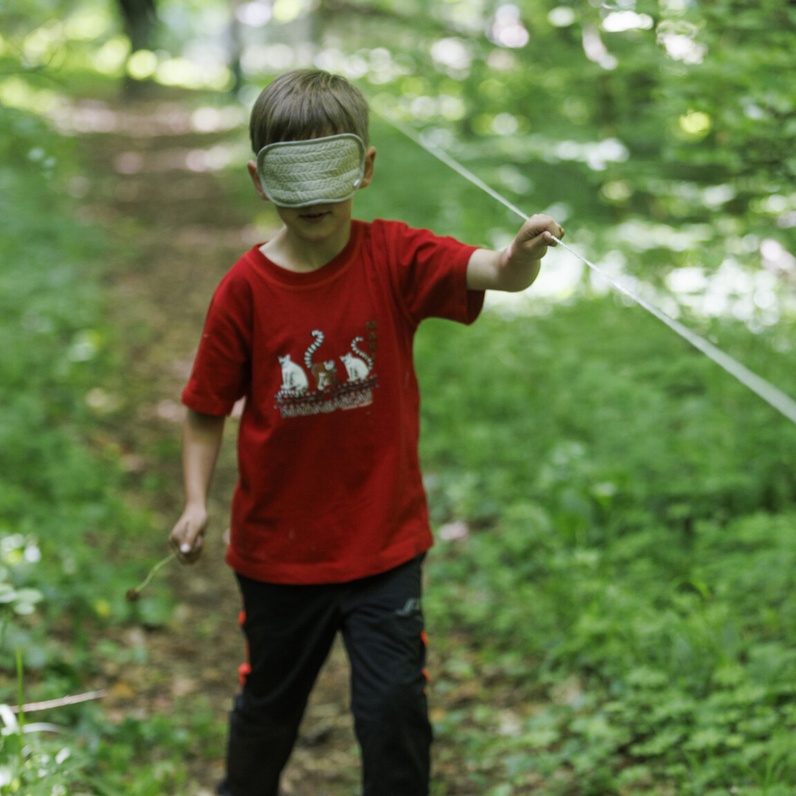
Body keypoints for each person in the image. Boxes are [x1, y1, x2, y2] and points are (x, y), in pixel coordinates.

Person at [169, 68, 564, 796]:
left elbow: (496, 273)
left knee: (393, 709)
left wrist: (520, 255)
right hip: (277, 554)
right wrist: (195, 501)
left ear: (366, 167)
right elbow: (205, 405)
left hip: (385, 546)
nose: (316, 197)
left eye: (333, 170)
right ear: (261, 180)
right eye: (296, 175)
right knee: (270, 710)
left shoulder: (396, 256)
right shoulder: (245, 290)